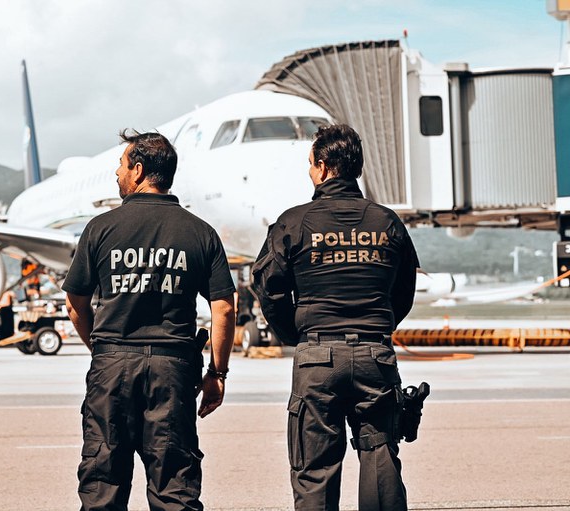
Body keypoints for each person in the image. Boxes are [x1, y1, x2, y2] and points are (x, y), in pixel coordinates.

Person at [63, 130, 236, 511]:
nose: (117, 173)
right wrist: (217, 374)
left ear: (138, 170)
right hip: (173, 370)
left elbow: (75, 304)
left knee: (102, 485)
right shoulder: (200, 232)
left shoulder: (100, 229)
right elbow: (224, 307)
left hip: (112, 367)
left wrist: (102, 348)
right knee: (174, 487)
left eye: (122, 166)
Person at [252, 124, 419, 510]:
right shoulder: (387, 221)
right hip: (375, 355)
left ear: (324, 167)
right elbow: (404, 292)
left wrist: (296, 336)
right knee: (381, 462)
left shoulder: (293, 222)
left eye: (311, 164)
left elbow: (270, 290)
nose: (310, 172)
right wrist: (377, 326)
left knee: (315, 469)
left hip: (317, 356)